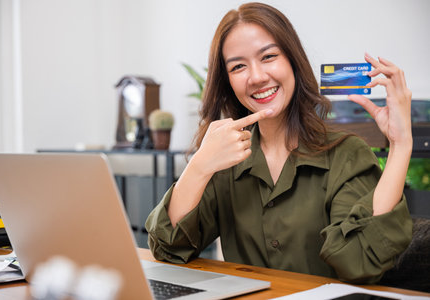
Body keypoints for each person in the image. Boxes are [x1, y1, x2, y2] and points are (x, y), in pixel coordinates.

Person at [145, 2, 413, 284]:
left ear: (293, 61)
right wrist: (199, 166)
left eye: (269, 56)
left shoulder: (346, 154)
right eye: (238, 66)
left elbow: (358, 260)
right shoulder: (225, 160)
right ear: (228, 82)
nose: (257, 77)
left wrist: (401, 144)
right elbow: (168, 249)